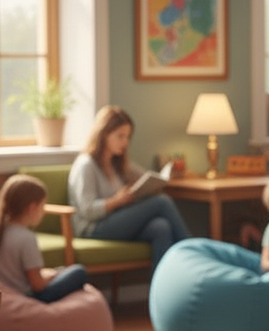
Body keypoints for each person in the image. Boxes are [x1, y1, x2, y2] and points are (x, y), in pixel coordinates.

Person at [68, 105, 190, 270]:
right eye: (120, 136)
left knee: (161, 227)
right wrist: (116, 201)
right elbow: (87, 210)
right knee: (162, 202)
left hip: (117, 220)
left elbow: (149, 177)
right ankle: (193, 252)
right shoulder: (86, 165)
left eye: (127, 137)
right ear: (103, 134)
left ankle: (162, 284)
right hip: (92, 228)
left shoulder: (118, 162)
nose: (125, 142)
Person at [0, 174, 89, 303]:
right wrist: (51, 276)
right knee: (79, 272)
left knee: (60, 271)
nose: (43, 211)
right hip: (26, 296)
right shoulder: (26, 238)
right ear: (32, 207)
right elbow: (37, 285)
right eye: (42, 206)